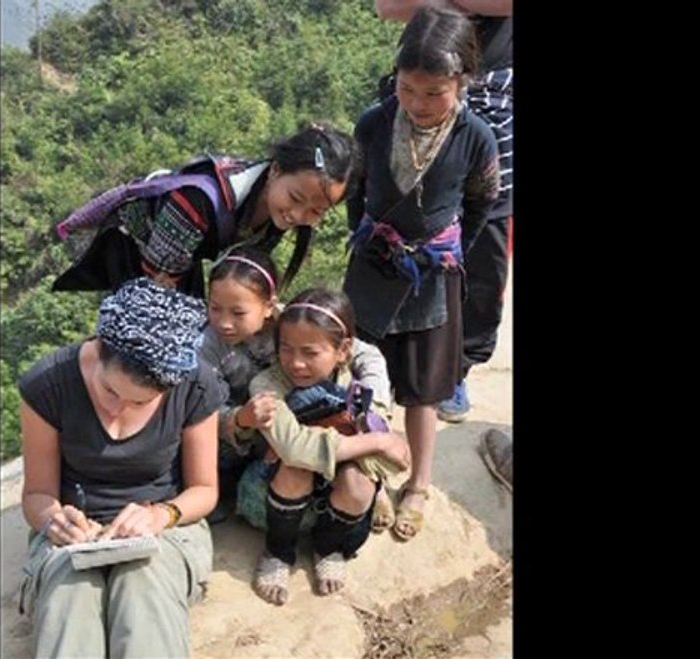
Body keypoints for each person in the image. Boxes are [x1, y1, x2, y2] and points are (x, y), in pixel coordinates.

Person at [343, 5, 500, 542]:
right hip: (371, 268)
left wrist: (448, 252)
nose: (419, 103)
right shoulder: (375, 122)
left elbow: (481, 203)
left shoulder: (475, 137)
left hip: (433, 275)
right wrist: (367, 238)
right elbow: (356, 191)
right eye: (408, 89)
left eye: (435, 93)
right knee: (365, 379)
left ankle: (418, 485)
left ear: (463, 81)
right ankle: (373, 477)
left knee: (423, 388)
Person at [16, 278, 227, 659]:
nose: (117, 411)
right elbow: (36, 495)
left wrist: (162, 515)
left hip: (166, 527)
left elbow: (204, 489)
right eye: (110, 391)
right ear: (98, 350)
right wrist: (53, 521)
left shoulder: (195, 385)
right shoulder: (47, 385)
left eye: (140, 403)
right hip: (76, 535)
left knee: (144, 585)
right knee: (70, 597)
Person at [375, 0, 513, 422]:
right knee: (398, 232)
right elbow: (387, 6)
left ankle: (456, 369)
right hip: (424, 83)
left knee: (482, 255)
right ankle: (385, 358)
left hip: (495, 102)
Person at [199, 249, 397, 526]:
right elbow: (200, 410)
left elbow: (365, 354)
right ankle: (218, 487)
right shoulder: (206, 347)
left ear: (269, 306)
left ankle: (373, 484)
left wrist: (372, 407)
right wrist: (238, 419)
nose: (224, 322)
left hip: (304, 414)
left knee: (342, 418)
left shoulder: (295, 320)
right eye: (214, 308)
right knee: (227, 457)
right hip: (249, 424)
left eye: (238, 312)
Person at [243, 289, 411, 605]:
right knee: (296, 466)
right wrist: (378, 440)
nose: (296, 363)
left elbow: (373, 405)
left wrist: (370, 429)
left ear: (343, 349)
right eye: (286, 349)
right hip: (278, 485)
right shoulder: (266, 385)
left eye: (310, 352)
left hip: (337, 481)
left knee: (359, 484)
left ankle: (328, 547)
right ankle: (278, 551)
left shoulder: (361, 372)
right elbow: (294, 449)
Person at [51, 124, 357, 298]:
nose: (298, 215)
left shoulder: (274, 206)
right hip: (138, 248)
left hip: (187, 257)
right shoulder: (196, 200)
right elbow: (159, 284)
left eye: (316, 211)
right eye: (295, 198)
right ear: (275, 170)